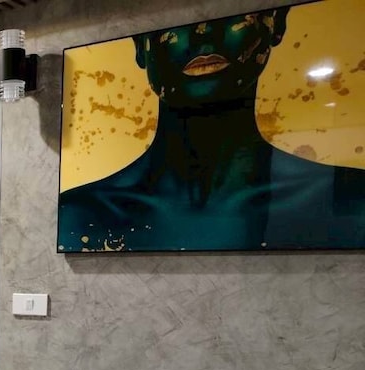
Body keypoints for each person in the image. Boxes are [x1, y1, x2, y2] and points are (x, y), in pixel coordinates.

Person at [58, 9, 365, 252]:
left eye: (232, 12)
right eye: (174, 19)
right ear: (141, 46)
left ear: (277, 23)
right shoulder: (81, 213)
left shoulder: (351, 197)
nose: (203, 33)